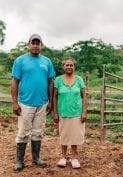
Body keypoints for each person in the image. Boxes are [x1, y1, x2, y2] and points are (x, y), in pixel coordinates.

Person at [11, 34, 55, 171]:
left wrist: (50, 102)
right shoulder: (20, 60)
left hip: (42, 103)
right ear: (28, 44)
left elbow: (50, 83)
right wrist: (14, 102)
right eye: (33, 43)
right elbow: (15, 82)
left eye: (38, 43)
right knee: (23, 132)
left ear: (42, 45)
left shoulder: (47, 61)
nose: (35, 45)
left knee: (38, 132)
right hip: (25, 103)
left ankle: (36, 158)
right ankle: (19, 161)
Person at [53, 57, 87, 169]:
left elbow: (84, 96)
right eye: (67, 65)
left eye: (71, 65)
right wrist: (55, 113)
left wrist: (84, 112)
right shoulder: (58, 80)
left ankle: (74, 158)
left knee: (75, 136)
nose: (69, 67)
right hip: (63, 112)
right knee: (64, 135)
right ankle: (63, 157)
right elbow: (54, 97)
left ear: (74, 67)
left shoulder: (79, 79)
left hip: (76, 113)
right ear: (63, 67)